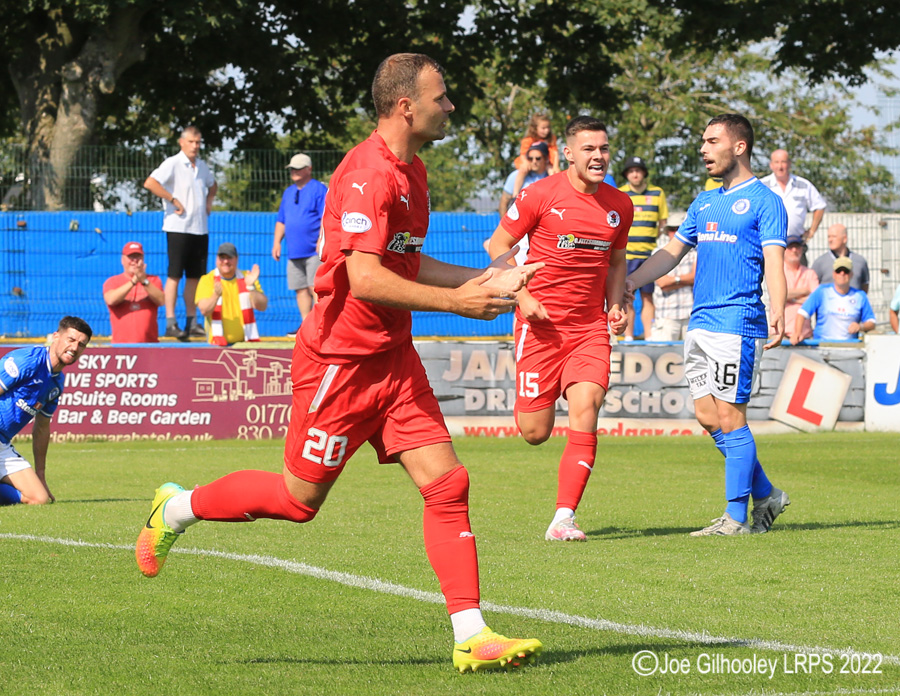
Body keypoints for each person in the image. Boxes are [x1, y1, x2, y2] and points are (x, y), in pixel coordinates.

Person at [135, 53, 543, 673]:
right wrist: (458, 303)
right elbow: (367, 277)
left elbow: (405, 262)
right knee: (298, 502)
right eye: (441, 96)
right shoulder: (366, 174)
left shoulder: (415, 171)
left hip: (393, 359)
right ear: (405, 105)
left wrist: (491, 279)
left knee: (448, 484)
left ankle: (472, 633)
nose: (450, 105)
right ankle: (179, 506)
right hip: (339, 363)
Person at [626, 113, 790, 536]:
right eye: (702, 140)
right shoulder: (704, 201)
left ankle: (736, 519)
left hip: (737, 322)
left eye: (712, 140)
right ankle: (768, 493)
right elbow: (670, 253)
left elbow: (774, 260)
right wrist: (631, 281)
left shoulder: (765, 200)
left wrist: (779, 307)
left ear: (739, 147)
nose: (703, 148)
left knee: (732, 417)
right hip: (700, 323)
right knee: (706, 415)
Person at [488, 116, 633, 542]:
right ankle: (537, 409)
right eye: (589, 149)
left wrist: (614, 305)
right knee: (535, 432)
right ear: (567, 153)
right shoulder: (539, 194)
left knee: (587, 405)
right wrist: (522, 295)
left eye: (604, 149)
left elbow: (618, 260)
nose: (599, 157)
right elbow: (497, 246)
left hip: (588, 328)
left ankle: (563, 518)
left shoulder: (619, 205)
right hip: (540, 326)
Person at [0, 316, 92, 506]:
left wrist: (40, 474)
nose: (75, 348)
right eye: (71, 340)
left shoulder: (57, 384)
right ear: (56, 337)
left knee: (38, 498)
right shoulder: (26, 361)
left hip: (2, 444)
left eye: (81, 344)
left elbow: (41, 428)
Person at [143, 125, 218, 341]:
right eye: (191, 142)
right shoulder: (173, 163)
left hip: (200, 228)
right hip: (178, 228)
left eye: (198, 142)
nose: (195, 146)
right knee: (175, 275)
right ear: (182, 142)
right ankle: (170, 321)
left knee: (195, 276)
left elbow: (213, 186)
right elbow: (150, 182)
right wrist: (172, 199)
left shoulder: (202, 166)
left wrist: (209, 201)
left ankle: (192, 321)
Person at [272, 153, 328, 336]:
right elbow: (282, 220)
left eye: (298, 168)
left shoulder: (319, 189)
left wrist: (321, 238)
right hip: (294, 251)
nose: (294, 172)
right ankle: (306, 325)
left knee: (315, 287)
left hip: (313, 250)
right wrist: (276, 243)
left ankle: (320, 325)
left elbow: (325, 217)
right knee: (300, 288)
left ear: (309, 169)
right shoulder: (289, 192)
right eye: (293, 168)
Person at [619, 155, 668, 340]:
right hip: (627, 255)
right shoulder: (621, 193)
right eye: (631, 171)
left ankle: (649, 337)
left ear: (644, 173)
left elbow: (662, 223)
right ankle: (629, 336)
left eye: (638, 171)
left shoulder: (657, 193)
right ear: (627, 175)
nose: (635, 174)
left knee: (648, 297)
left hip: (649, 255)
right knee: (627, 296)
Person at [195, 243, 267, 345]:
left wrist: (251, 287)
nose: (225, 261)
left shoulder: (247, 277)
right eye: (222, 258)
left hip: (245, 345)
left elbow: (262, 306)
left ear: (236, 259)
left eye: (229, 258)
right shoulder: (207, 280)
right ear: (216, 259)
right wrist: (215, 295)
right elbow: (204, 310)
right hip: (217, 345)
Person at [793, 256, 876, 343]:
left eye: (846, 271)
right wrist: (797, 333)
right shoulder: (822, 291)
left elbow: (871, 322)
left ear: (851, 275)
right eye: (838, 271)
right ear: (833, 274)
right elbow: (802, 313)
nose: (842, 274)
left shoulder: (860, 296)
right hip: (822, 348)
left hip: (849, 348)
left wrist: (860, 326)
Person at [759, 149, 826, 249]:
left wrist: (811, 231)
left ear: (789, 164)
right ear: (771, 165)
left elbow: (820, 206)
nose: (780, 166)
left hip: (796, 245)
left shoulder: (803, 185)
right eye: (776, 162)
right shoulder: (762, 185)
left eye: (783, 162)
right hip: (768, 244)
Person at [102, 242, 165, 343]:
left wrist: (144, 281)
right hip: (121, 347)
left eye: (138, 257)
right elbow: (111, 300)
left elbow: (161, 300)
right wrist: (133, 281)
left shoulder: (153, 280)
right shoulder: (112, 281)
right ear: (122, 260)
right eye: (131, 257)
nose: (134, 261)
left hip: (150, 345)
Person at [648, 212, 695, 341]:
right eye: (671, 229)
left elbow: (696, 279)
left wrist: (673, 281)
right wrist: (687, 279)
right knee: (663, 357)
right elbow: (662, 283)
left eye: (678, 229)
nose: (674, 233)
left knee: (692, 360)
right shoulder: (658, 252)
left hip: (691, 316)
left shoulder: (697, 252)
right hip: (666, 316)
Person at [810, 223, 870, 292]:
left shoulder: (860, 261)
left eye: (834, 236)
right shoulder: (820, 262)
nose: (830, 240)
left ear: (844, 239)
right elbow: (812, 288)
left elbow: (865, 286)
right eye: (829, 237)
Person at [782, 234, 819, 343]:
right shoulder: (777, 271)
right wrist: (804, 291)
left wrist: (790, 298)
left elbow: (815, 300)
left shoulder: (810, 273)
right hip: (781, 335)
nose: (794, 250)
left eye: (797, 247)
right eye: (790, 247)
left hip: (805, 336)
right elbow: (778, 296)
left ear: (802, 250)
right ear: (784, 250)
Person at [499, 142, 551, 216]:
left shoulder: (551, 176)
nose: (534, 161)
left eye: (538, 158)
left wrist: (552, 175)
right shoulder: (515, 176)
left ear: (546, 159)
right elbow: (503, 203)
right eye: (530, 158)